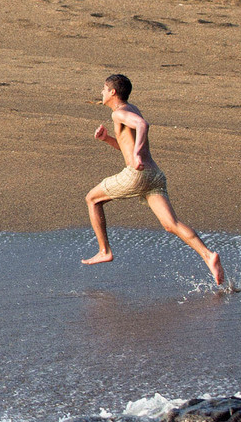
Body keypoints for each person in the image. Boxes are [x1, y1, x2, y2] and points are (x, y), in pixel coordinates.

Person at [83, 73, 225, 287]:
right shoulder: (131, 109)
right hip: (154, 176)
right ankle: (208, 255)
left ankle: (104, 251)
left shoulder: (119, 113)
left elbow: (142, 125)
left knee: (92, 199)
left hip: (137, 174)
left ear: (112, 92)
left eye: (104, 89)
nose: (101, 93)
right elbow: (126, 146)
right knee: (172, 224)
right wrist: (106, 139)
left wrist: (138, 153)